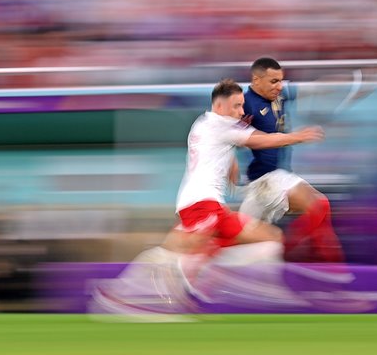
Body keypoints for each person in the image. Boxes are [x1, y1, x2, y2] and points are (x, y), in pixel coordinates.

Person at [89, 78, 324, 319]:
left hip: (210, 205)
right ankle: (121, 294)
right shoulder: (222, 127)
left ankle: (204, 281)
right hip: (201, 204)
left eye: (242, 105)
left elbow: (220, 146)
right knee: (174, 250)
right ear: (220, 107)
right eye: (236, 106)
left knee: (271, 237)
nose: (241, 111)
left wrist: (230, 161)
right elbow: (261, 140)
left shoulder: (203, 123)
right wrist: (298, 137)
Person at [239, 57, 345, 263]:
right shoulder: (246, 105)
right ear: (256, 80)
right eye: (274, 82)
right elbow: (252, 140)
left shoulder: (279, 94)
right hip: (266, 180)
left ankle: (324, 271)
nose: (279, 86)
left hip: (273, 183)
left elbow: (314, 88)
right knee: (319, 206)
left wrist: (354, 80)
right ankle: (311, 265)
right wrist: (297, 137)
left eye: (281, 81)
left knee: (246, 239)